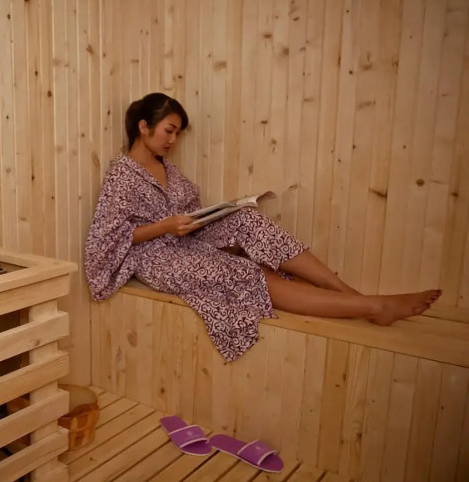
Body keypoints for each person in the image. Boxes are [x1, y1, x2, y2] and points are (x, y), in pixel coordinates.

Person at [84, 92, 441, 362]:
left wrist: (213, 215)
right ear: (143, 127)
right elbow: (108, 239)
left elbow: (188, 211)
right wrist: (163, 227)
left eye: (177, 133)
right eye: (169, 131)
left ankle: (352, 295)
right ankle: (372, 308)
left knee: (248, 220)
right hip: (154, 255)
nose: (172, 140)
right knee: (243, 271)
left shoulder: (168, 168)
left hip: (185, 237)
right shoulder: (122, 176)